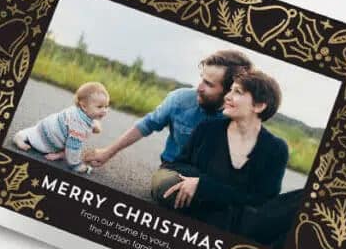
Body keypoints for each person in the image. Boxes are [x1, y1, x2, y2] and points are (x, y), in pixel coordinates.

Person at [148, 68, 290, 234]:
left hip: (234, 216)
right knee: (166, 183)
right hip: (207, 204)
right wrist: (198, 184)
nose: (227, 96)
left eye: (237, 92)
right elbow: (177, 165)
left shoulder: (276, 149)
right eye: (230, 90)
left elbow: (264, 199)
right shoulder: (207, 129)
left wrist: (205, 186)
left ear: (258, 106)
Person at [86, 50, 252, 172]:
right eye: (202, 79)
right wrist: (107, 152)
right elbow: (147, 124)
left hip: (212, 181)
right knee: (168, 190)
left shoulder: (243, 119)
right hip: (174, 170)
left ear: (231, 90)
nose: (199, 88)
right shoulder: (180, 100)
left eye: (209, 84)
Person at [13, 81, 109, 173]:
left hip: (44, 127)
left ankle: (24, 136)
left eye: (106, 106)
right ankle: (20, 138)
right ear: (84, 106)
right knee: (73, 144)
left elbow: (90, 120)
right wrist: (76, 165)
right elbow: (73, 147)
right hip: (46, 141)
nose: (104, 110)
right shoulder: (78, 125)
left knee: (32, 132)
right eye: (99, 107)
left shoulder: (78, 111)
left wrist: (94, 124)